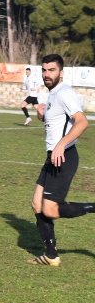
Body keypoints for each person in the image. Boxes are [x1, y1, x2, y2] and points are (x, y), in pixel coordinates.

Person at [30, 54, 93, 267]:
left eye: (52, 70)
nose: (47, 74)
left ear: (61, 72)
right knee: (37, 204)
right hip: (52, 157)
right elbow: (57, 122)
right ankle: (51, 255)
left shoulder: (64, 93)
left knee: (49, 209)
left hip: (63, 156)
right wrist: (42, 115)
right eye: (45, 70)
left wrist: (60, 145)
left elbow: (82, 122)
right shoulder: (52, 95)